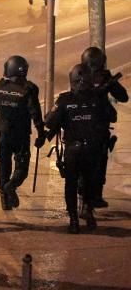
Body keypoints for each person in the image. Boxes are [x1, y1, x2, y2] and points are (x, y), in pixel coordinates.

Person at [42, 65, 111, 233]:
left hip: (73, 150)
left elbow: (50, 122)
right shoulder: (98, 99)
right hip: (92, 149)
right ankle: (88, 211)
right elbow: (111, 116)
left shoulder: (64, 100)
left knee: (71, 184)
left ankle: (73, 220)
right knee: (90, 182)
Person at [0, 56, 45, 210]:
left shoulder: (1, 86)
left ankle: (4, 199)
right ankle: (10, 186)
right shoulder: (29, 89)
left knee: (4, 166)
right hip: (20, 135)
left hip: (2, 134)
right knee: (21, 168)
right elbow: (35, 113)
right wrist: (41, 133)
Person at [80, 46, 127, 208]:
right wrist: (109, 84)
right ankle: (95, 195)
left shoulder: (78, 74)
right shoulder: (102, 77)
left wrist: (110, 83)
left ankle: (90, 193)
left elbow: (123, 96)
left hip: (80, 124)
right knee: (99, 161)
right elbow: (123, 97)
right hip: (96, 127)